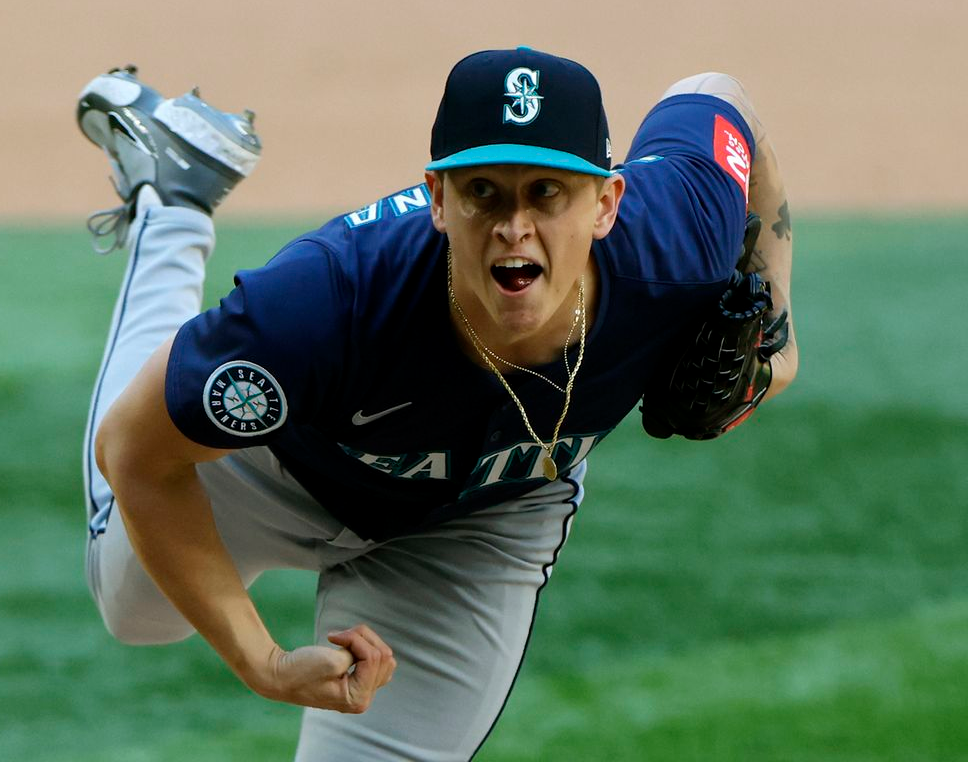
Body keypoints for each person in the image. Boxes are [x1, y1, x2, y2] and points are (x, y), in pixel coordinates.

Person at [76, 47, 797, 761]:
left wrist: (778, 347)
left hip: (483, 518)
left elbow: (718, 94)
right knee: (139, 609)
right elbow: (134, 452)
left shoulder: (677, 235)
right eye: (484, 190)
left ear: (607, 202)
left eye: (548, 191)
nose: (515, 225)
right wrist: (261, 662)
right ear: (438, 200)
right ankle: (172, 207)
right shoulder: (327, 298)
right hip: (280, 470)